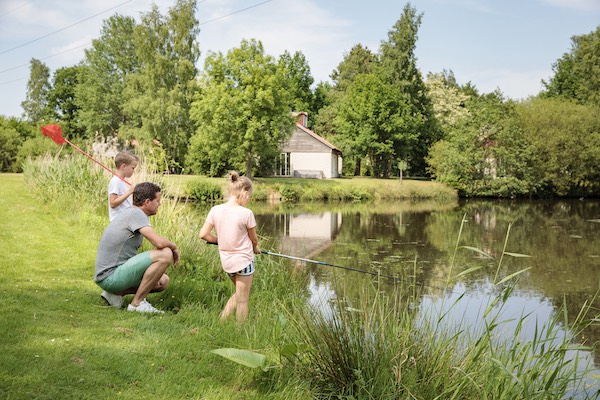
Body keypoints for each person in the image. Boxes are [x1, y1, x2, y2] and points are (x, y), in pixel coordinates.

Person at [95, 182, 180, 314]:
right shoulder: (136, 214)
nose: (160, 204)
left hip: (108, 275)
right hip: (110, 276)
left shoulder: (131, 213)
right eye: (157, 200)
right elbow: (158, 243)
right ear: (147, 202)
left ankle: (116, 294)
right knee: (165, 254)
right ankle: (137, 304)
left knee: (163, 281)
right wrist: (174, 247)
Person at [200, 171, 260, 323]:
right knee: (243, 300)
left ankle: (222, 321)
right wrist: (255, 249)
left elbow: (204, 234)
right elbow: (254, 239)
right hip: (244, 261)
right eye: (249, 196)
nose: (248, 199)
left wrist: (221, 241)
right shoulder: (246, 213)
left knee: (240, 293)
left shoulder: (216, 210)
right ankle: (241, 332)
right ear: (244, 192)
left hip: (227, 262)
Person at [108, 151, 138, 222]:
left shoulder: (121, 181)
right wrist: (129, 192)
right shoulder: (116, 181)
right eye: (132, 168)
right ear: (124, 166)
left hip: (124, 221)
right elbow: (112, 203)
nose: (133, 171)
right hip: (118, 222)